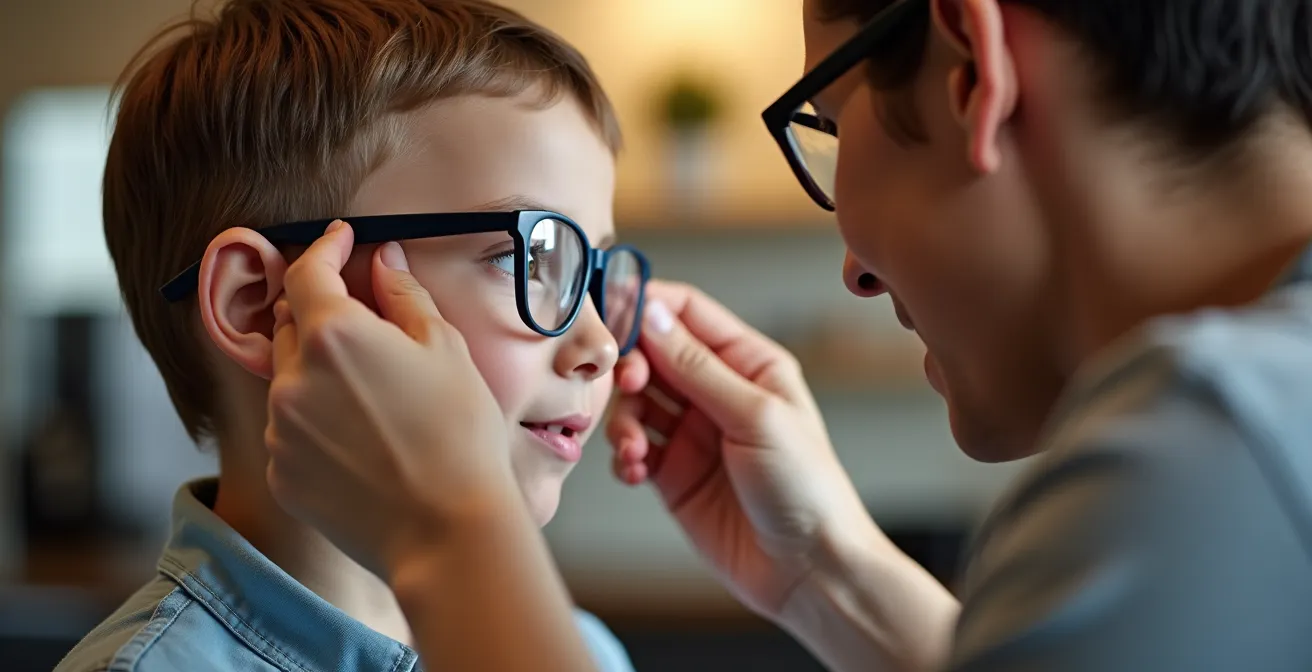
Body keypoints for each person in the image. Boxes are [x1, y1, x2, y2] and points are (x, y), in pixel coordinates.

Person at [266, 0, 1312, 670]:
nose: (852, 268)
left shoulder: (1218, 442)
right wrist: (829, 573)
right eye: (533, 260)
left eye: (825, 119)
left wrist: (450, 533)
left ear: (968, 67)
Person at [55, 1, 646, 671]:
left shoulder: (583, 652)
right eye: (526, 259)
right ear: (258, 303)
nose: (599, 343)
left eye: (592, 270)